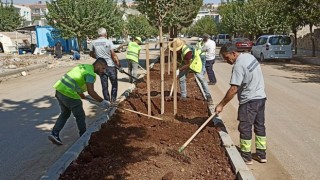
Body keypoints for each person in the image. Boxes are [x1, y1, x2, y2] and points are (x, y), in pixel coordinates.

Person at [215, 42, 267, 165]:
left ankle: (246, 156)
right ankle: (261, 155)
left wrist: (221, 105)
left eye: (227, 57)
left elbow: (233, 89)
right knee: (260, 126)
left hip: (249, 102)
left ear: (233, 53)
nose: (226, 60)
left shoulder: (238, 66)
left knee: (245, 128)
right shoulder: (249, 57)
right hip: (261, 98)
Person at [48, 58, 110, 145]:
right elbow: (91, 92)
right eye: (103, 68)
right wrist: (103, 101)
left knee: (65, 113)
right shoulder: (90, 74)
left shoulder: (85, 67)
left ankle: (54, 133)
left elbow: (77, 80)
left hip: (59, 90)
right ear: (98, 65)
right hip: (68, 92)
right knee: (80, 115)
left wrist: (81, 94)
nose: (103, 71)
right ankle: (84, 136)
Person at [169, 38, 213, 104]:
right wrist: (177, 67)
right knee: (181, 79)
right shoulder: (176, 51)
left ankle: (208, 97)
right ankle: (183, 96)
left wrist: (179, 69)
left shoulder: (187, 51)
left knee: (201, 78)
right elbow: (178, 60)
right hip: (185, 62)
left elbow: (188, 64)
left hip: (194, 62)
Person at [89, 28, 123, 103]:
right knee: (114, 84)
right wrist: (119, 66)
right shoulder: (108, 42)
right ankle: (113, 101)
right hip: (110, 67)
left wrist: (98, 57)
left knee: (104, 86)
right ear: (105, 34)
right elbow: (113, 55)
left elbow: (91, 54)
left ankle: (107, 102)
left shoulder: (93, 42)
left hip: (101, 68)